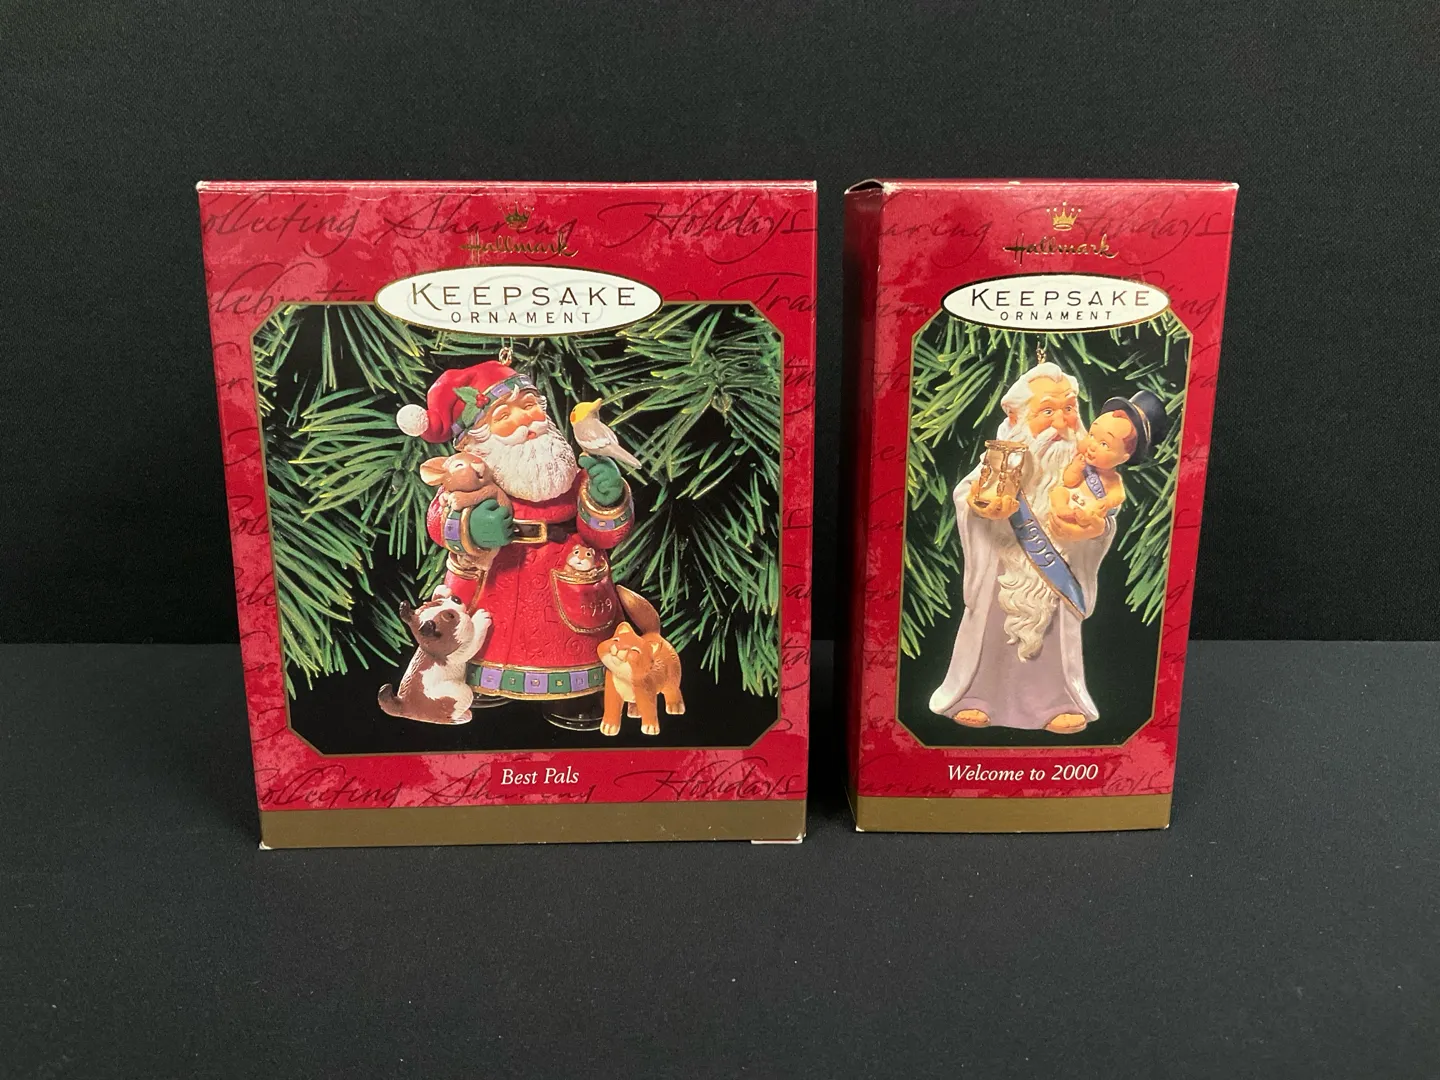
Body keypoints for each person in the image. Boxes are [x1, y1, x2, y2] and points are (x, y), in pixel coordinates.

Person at [395, 353, 634, 728]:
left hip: (563, 577)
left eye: (529, 405)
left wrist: (607, 500)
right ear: (476, 440)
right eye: (504, 416)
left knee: (571, 645)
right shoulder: (469, 479)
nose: (526, 421)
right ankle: (483, 680)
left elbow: (604, 535)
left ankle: (577, 693)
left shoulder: (572, 474)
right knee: (487, 637)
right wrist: (471, 527)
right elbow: (438, 519)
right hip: (493, 578)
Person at [928, 360, 1114, 734]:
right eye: (1047, 411)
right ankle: (978, 695)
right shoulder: (1002, 455)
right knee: (990, 633)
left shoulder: (1084, 466)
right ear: (1016, 417)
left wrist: (1097, 529)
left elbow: (1104, 512)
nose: (1061, 422)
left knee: (1053, 641)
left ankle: (1057, 701)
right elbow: (968, 494)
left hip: (1057, 575)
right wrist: (981, 505)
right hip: (1004, 567)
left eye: (1069, 408)